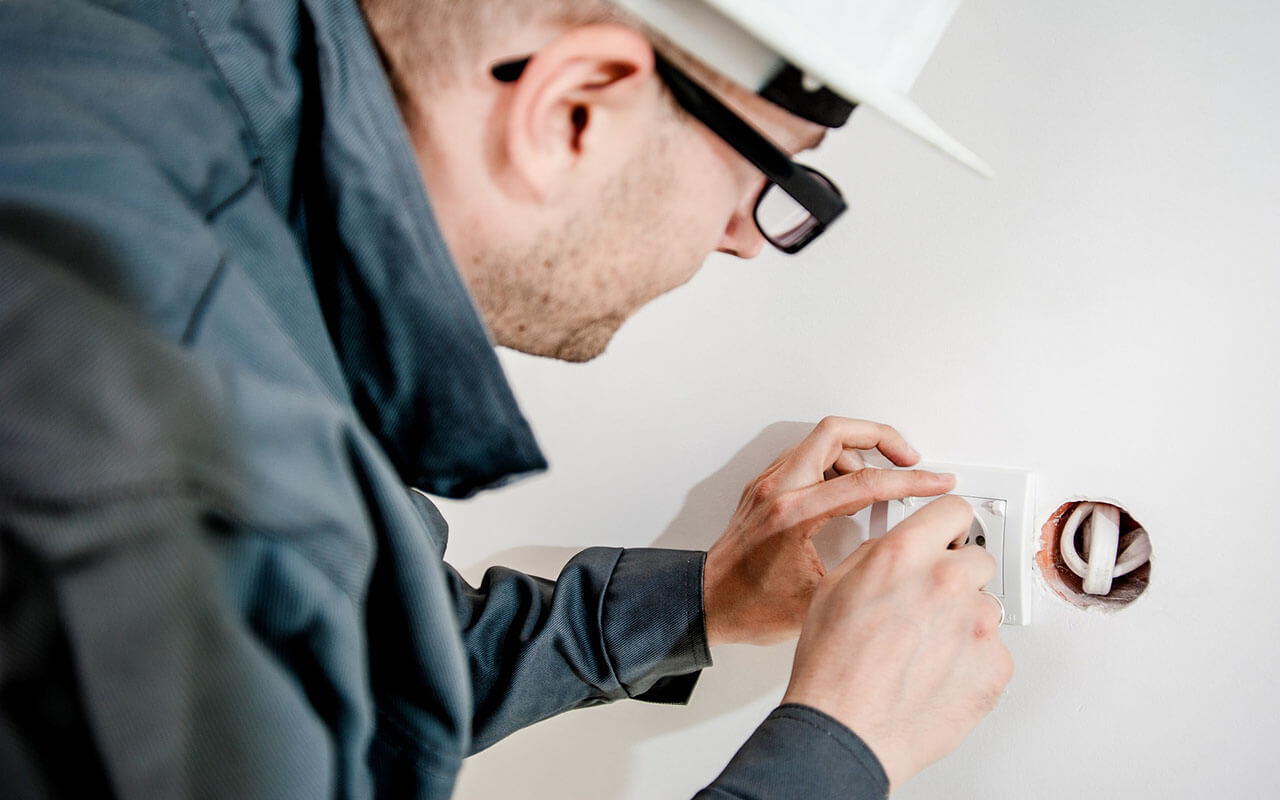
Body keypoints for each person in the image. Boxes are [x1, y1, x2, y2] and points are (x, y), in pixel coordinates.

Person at [0, 0, 1012, 797]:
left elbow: (337, 660)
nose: (744, 238)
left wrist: (698, 601)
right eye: (768, 178)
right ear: (572, 105)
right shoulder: (197, 484)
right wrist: (834, 748)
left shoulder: (131, 60)